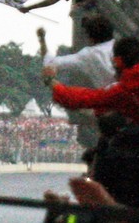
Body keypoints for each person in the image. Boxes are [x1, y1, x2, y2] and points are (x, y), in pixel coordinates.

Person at [38, 13, 116, 151]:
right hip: (130, 102)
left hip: (107, 106)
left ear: (90, 37)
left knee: (72, 99)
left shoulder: (89, 54)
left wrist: (42, 40)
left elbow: (49, 64)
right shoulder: (122, 46)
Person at [43, 36, 139, 125]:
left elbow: (85, 97)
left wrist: (52, 82)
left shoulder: (124, 89)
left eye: (113, 62)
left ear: (119, 62)